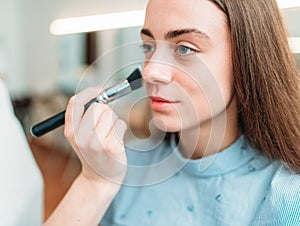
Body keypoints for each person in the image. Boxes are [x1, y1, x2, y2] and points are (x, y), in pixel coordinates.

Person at [45, 0, 300, 225]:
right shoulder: (123, 166)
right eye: (148, 47)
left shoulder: (287, 197)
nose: (150, 71)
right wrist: (95, 183)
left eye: (184, 48)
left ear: (248, 59)